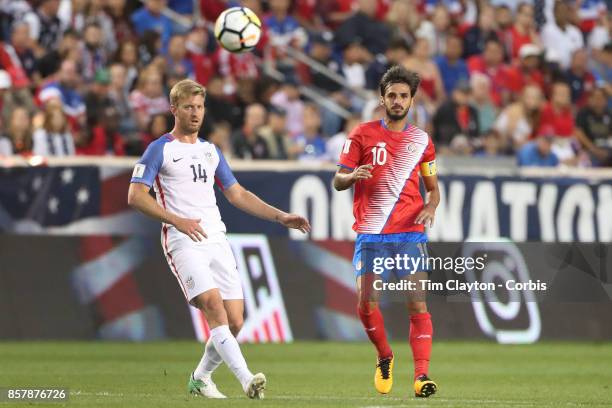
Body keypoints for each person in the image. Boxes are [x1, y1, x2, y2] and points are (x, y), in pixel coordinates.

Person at [127, 79, 310, 400]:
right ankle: (247, 379)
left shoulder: (210, 151)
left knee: (236, 321)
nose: (195, 113)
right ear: (174, 109)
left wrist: (281, 216)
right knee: (214, 307)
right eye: (188, 107)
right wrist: (177, 220)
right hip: (182, 240)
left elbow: (237, 193)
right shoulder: (161, 149)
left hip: (216, 239)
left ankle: (200, 378)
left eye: (199, 106)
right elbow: (136, 196)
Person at [334, 65, 439, 398]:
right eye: (391, 95)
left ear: (412, 100)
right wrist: (351, 178)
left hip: (410, 232)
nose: (397, 101)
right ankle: (384, 356)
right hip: (372, 234)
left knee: (417, 305)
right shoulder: (361, 135)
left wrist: (431, 206)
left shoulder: (421, 141)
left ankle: (421, 376)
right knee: (366, 304)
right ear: (382, 99)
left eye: (403, 96)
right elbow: (338, 179)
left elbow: (433, 188)